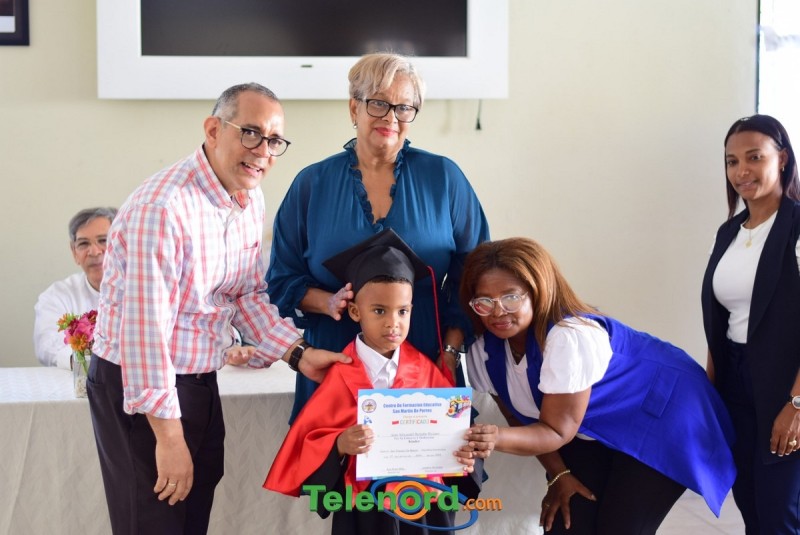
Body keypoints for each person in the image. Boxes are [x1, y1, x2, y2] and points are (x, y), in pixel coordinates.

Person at [87, 83, 350, 535]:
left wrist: (299, 354)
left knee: (192, 516)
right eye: (250, 133)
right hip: (143, 386)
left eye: (274, 140)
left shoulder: (247, 197)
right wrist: (169, 436)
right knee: (153, 522)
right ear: (213, 130)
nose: (263, 151)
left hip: (199, 378)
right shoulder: (163, 208)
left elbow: (246, 295)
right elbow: (146, 336)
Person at [266, 52, 490, 423]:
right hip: (336, 363)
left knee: (426, 462)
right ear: (354, 108)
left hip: (426, 361)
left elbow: (476, 276)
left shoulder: (444, 178)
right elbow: (280, 281)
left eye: (404, 107)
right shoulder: (311, 184)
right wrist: (329, 301)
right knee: (333, 461)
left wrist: (450, 351)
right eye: (378, 103)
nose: (391, 118)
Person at [460, 238, 736, 535]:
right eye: (485, 301)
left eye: (511, 297)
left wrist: (493, 438)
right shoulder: (483, 351)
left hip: (662, 413)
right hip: (592, 428)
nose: (498, 311)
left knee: (620, 527)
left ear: (538, 291)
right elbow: (520, 420)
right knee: (567, 520)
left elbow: (556, 431)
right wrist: (559, 474)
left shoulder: (568, 337)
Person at [265, 229, 482, 534]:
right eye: (379, 311)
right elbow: (312, 440)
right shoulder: (342, 373)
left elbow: (456, 434)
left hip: (424, 502)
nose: (393, 323)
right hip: (364, 503)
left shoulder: (426, 371)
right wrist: (340, 444)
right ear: (355, 311)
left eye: (403, 311)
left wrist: (464, 453)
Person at [701, 114, 800, 533]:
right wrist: (711, 394)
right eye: (732, 161)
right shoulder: (728, 233)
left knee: (780, 512)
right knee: (751, 504)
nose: (741, 170)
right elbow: (719, 320)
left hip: (785, 385)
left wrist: (797, 405)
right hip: (734, 381)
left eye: (754, 157)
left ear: (782, 159)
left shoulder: (795, 227)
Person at [34, 206, 117, 369]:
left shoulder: (148, 291)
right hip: (77, 378)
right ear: (74, 252)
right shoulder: (57, 295)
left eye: (103, 240)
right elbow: (46, 346)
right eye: (83, 243)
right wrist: (87, 362)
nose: (94, 251)